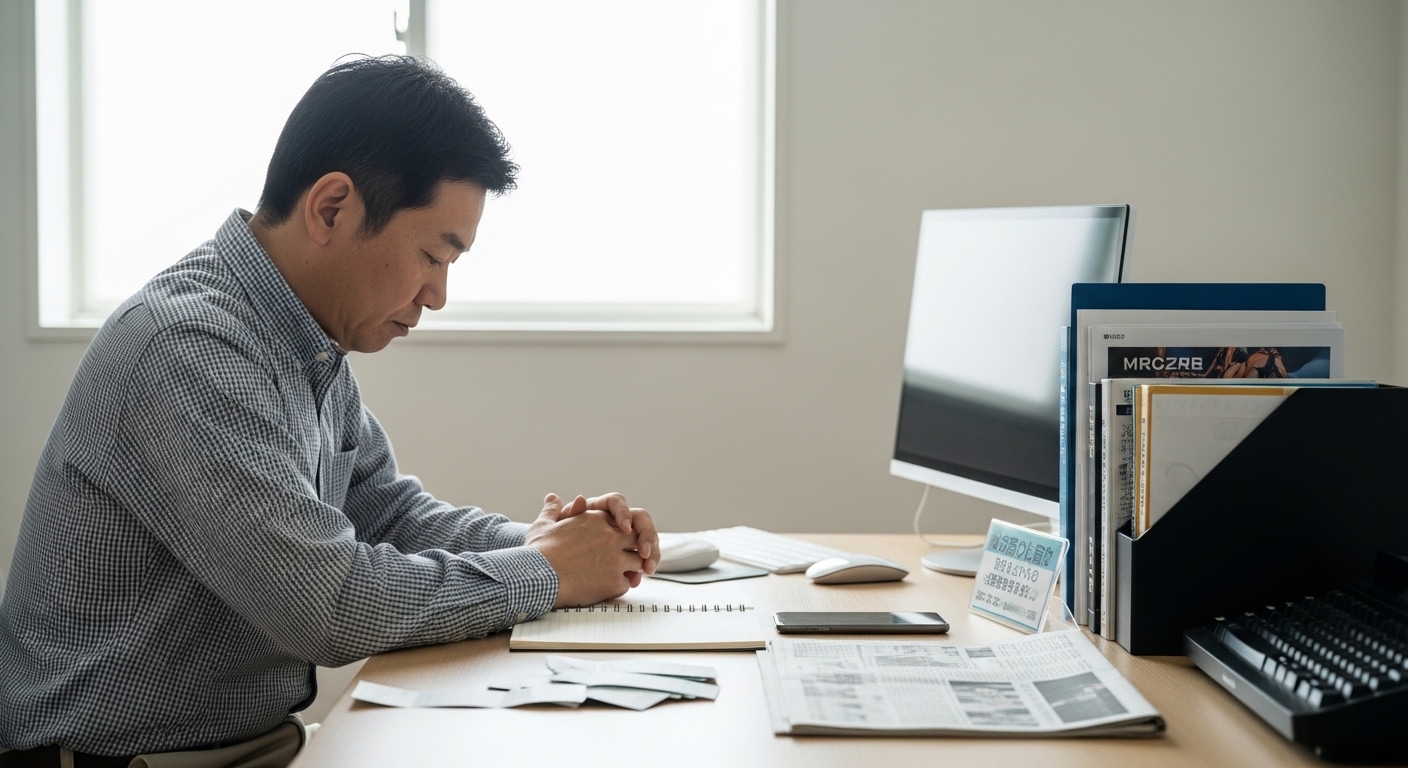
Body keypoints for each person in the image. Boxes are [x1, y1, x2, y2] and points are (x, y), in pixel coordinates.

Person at [0, 56, 659, 766]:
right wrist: (548, 571)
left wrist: (543, 540)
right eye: (434, 256)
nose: (437, 295)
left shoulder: (302, 336)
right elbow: (330, 602)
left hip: (255, 749)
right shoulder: (188, 347)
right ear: (332, 208)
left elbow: (388, 513)